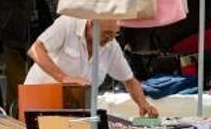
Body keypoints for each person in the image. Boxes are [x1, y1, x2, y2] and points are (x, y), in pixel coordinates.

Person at [25, 15, 159, 117]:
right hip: (38, 100)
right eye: (106, 33)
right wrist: (64, 78)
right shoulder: (67, 23)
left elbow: (129, 80)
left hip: (72, 112)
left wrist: (143, 104)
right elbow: (35, 49)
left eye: (115, 34)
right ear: (91, 25)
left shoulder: (111, 46)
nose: (110, 39)